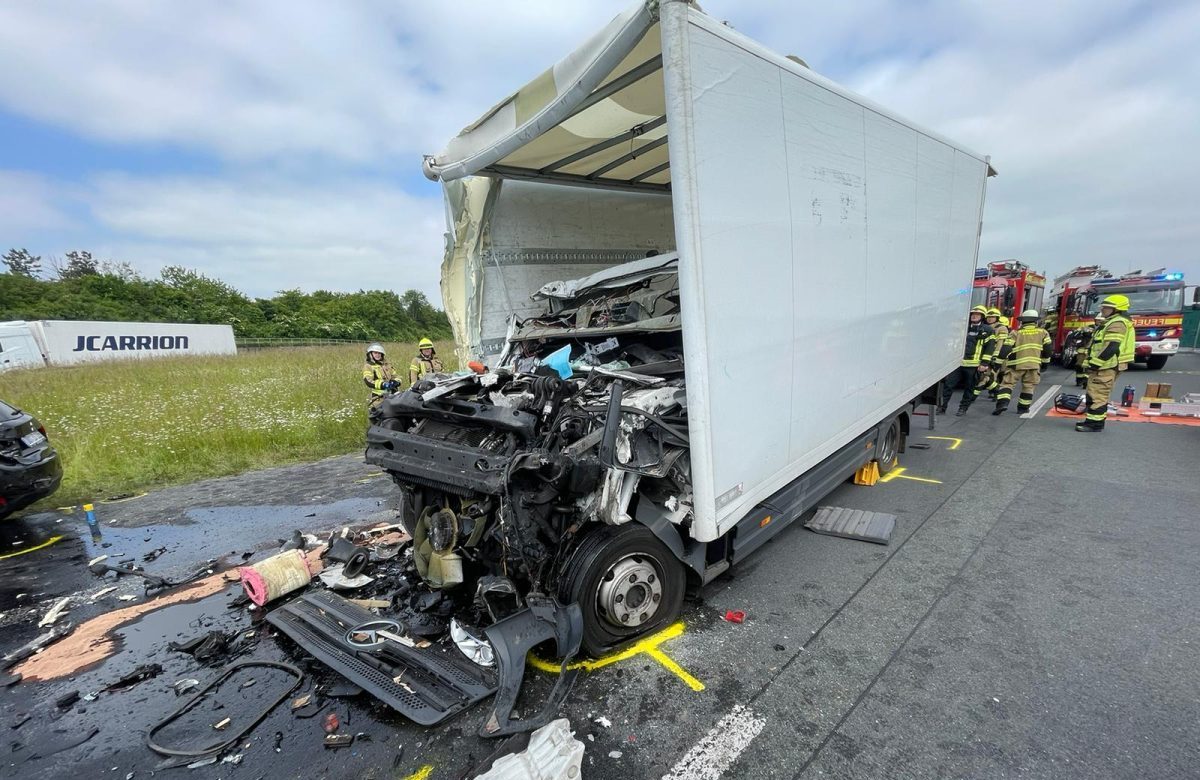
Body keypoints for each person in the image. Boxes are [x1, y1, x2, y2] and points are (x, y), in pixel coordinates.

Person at [1077, 295, 1135, 432]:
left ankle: (1094, 424)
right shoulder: (1112, 322)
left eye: (1106, 307)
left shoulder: (1117, 323)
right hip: (1106, 365)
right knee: (1094, 394)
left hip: (1107, 365)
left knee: (1098, 395)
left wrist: (1095, 364)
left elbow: (1112, 346)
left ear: (1116, 309)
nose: (1102, 309)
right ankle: (1092, 421)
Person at [939, 305, 995, 417]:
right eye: (973, 314)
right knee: (948, 385)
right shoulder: (964, 327)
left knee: (969, 388)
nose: (974, 316)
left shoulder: (987, 330)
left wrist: (984, 363)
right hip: (958, 363)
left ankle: (963, 408)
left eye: (977, 314)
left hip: (974, 365)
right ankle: (942, 407)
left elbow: (989, 347)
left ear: (982, 316)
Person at [992, 310, 1051, 415]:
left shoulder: (1015, 333)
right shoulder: (1043, 333)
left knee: (1007, 384)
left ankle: (1002, 404)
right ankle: (1023, 408)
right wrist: (1045, 364)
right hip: (1034, 365)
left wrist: (998, 363)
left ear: (1023, 321)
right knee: (1028, 386)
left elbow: (1006, 348)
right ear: (1035, 321)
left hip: (1016, 364)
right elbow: (1047, 350)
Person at [984, 307, 1010, 399]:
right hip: (987, 354)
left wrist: (995, 356)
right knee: (989, 375)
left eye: (993, 317)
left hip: (999, 355)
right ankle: (995, 390)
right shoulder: (985, 327)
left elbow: (1000, 343)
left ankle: (996, 392)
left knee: (998, 374)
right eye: (988, 317)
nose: (990, 318)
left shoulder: (1001, 328)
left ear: (997, 318)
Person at [362, 342, 399, 408]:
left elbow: (396, 376)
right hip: (378, 398)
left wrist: (397, 382)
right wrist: (383, 384)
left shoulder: (387, 364)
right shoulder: (368, 366)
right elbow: (368, 381)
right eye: (375, 353)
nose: (378, 355)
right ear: (370, 354)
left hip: (393, 395)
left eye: (379, 353)